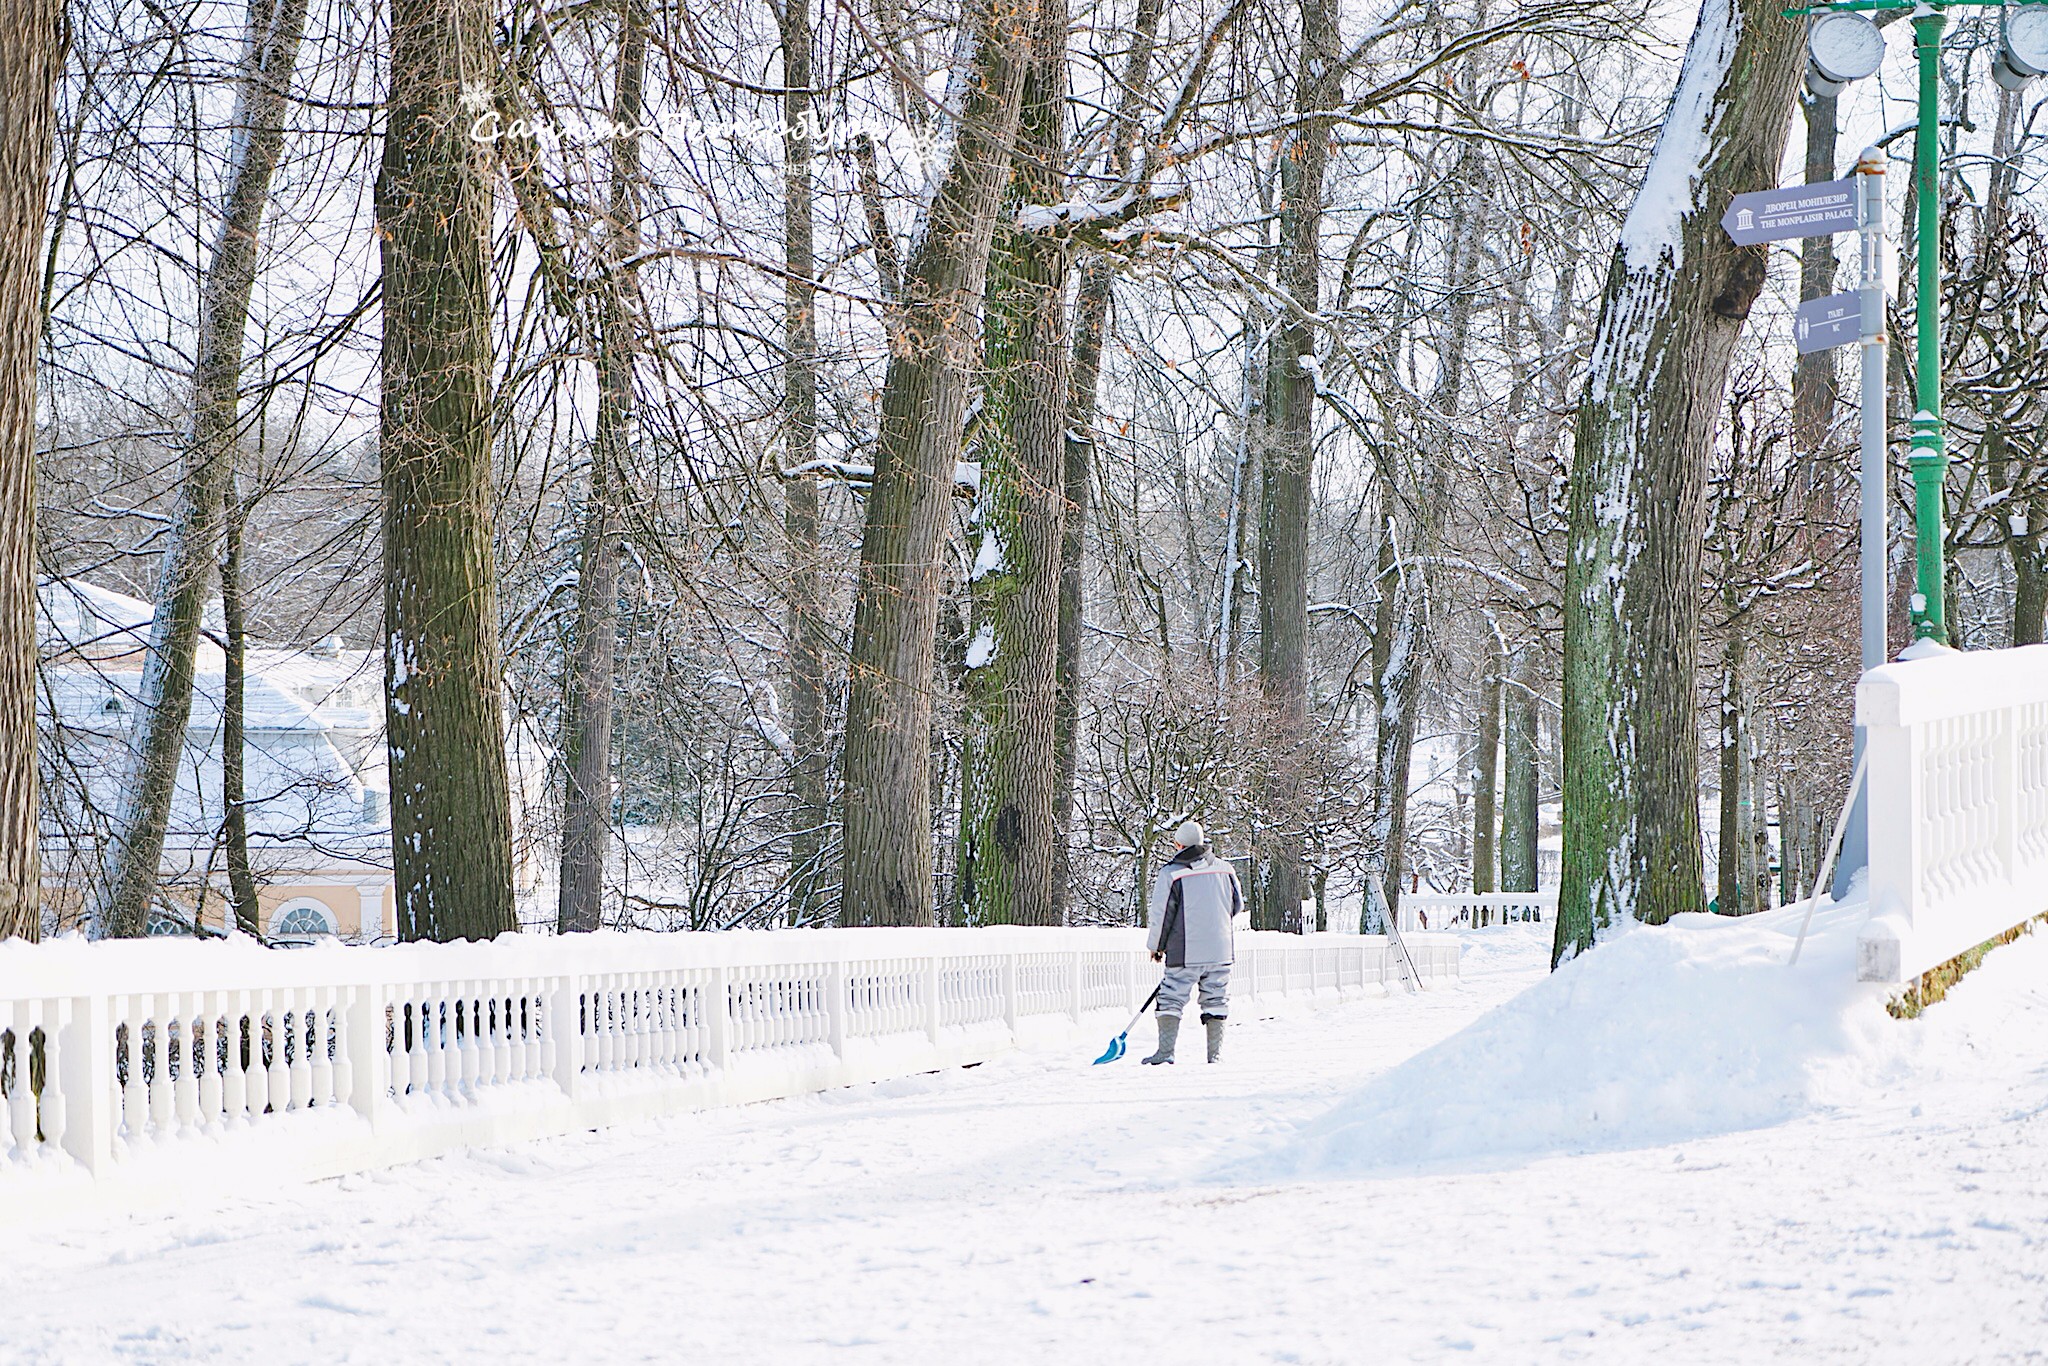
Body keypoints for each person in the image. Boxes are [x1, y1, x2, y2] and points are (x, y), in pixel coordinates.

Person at [1142, 820, 1241, 1065]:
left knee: (1171, 998)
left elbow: (1162, 915)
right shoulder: (1226, 869)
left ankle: (1165, 1053)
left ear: (1178, 844)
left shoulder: (1171, 873)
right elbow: (1237, 905)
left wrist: (1156, 946)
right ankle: (1214, 1056)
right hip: (1220, 949)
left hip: (1185, 950)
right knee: (1216, 998)